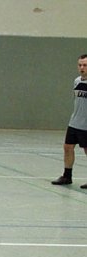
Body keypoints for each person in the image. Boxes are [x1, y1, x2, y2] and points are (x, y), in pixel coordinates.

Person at [52, 54, 87, 187]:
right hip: (74, 122)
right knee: (67, 147)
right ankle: (67, 176)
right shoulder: (77, 81)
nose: (82, 68)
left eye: (85, 65)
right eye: (80, 65)